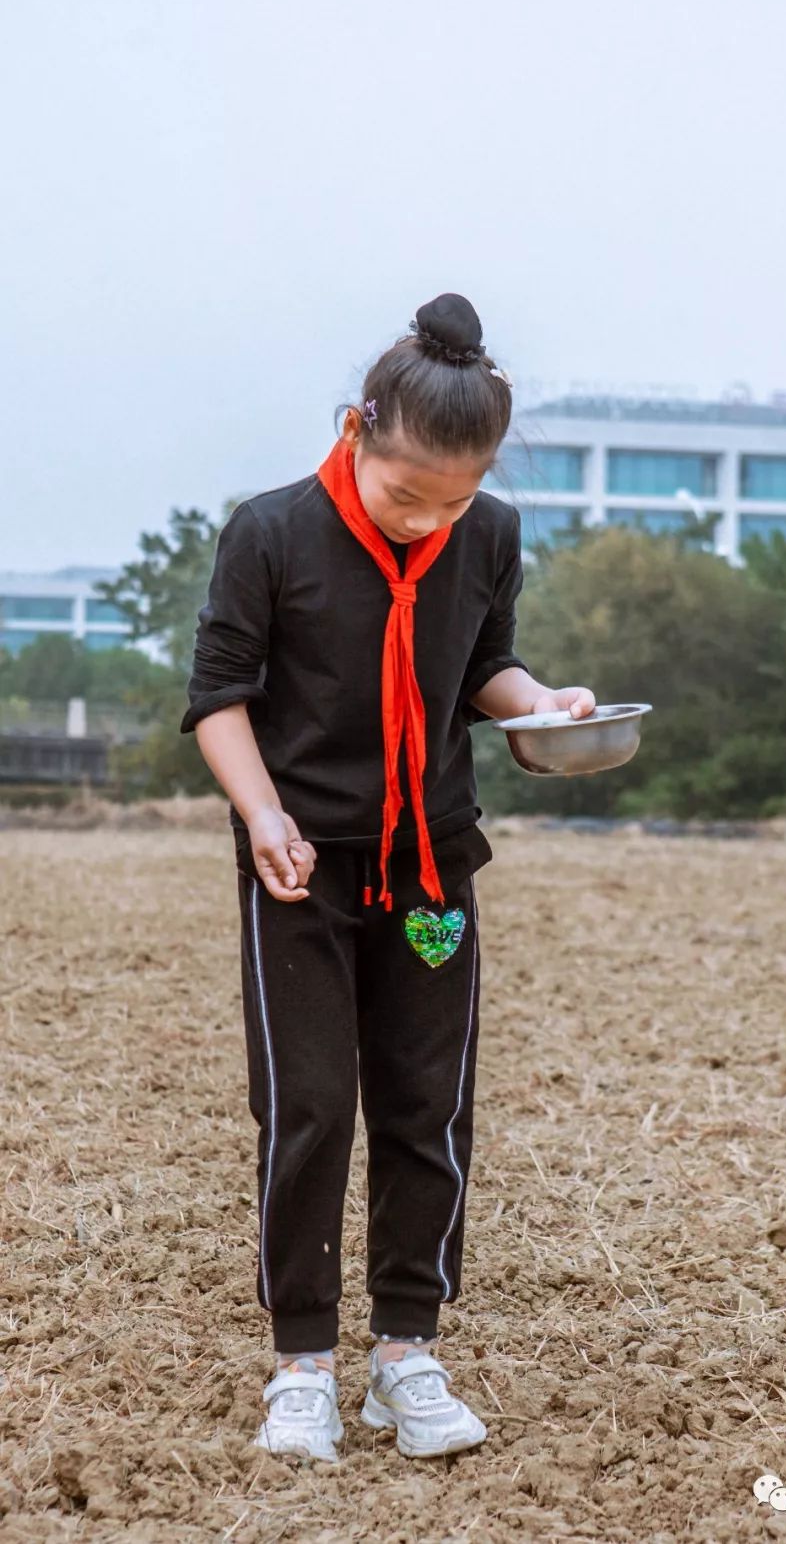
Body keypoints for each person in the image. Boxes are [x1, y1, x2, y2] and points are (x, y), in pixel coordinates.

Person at [180, 292, 596, 1462]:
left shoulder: (488, 534)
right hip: (300, 867)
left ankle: (405, 1351)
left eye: (453, 500)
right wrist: (261, 815)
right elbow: (217, 701)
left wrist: (544, 704)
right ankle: (302, 1362)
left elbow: (485, 668)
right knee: (309, 1106)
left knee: (427, 1106)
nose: (427, 522)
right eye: (406, 494)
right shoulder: (269, 533)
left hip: (429, 871)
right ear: (357, 428)